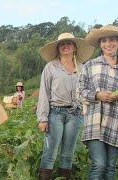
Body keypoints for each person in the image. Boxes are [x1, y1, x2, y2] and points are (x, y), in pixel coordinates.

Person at [36, 33, 94, 179]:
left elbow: (87, 92)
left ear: (75, 47)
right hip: (56, 113)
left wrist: (85, 111)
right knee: (50, 152)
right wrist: (43, 118)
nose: (65, 46)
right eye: (62, 44)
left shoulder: (82, 68)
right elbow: (44, 92)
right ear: (58, 48)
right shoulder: (51, 67)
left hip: (76, 114)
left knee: (68, 153)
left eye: (69, 43)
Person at [78, 24, 118, 179]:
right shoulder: (90, 65)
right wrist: (97, 95)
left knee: (110, 168)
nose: (108, 44)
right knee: (99, 165)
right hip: (95, 122)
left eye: (112, 40)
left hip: (117, 123)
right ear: (100, 44)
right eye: (104, 41)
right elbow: (80, 92)